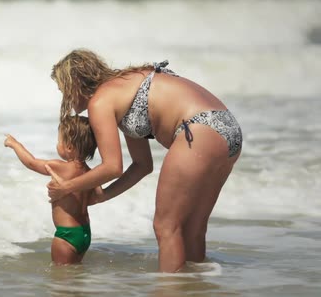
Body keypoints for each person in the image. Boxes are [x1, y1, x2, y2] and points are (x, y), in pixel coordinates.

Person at [45, 49, 242, 272]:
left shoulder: (100, 102)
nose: (66, 100)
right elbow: (142, 165)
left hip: (198, 129)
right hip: (227, 129)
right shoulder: (123, 88)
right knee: (192, 228)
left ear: (76, 83)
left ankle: (170, 291)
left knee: (166, 226)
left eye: (64, 91)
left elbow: (112, 167)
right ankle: (194, 288)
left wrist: (66, 188)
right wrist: (103, 197)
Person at [4, 115, 103, 265]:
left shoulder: (61, 167)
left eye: (59, 141)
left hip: (66, 235)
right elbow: (98, 194)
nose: (57, 144)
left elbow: (31, 162)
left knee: (61, 280)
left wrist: (15, 144)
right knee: (75, 276)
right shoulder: (90, 173)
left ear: (69, 147)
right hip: (84, 233)